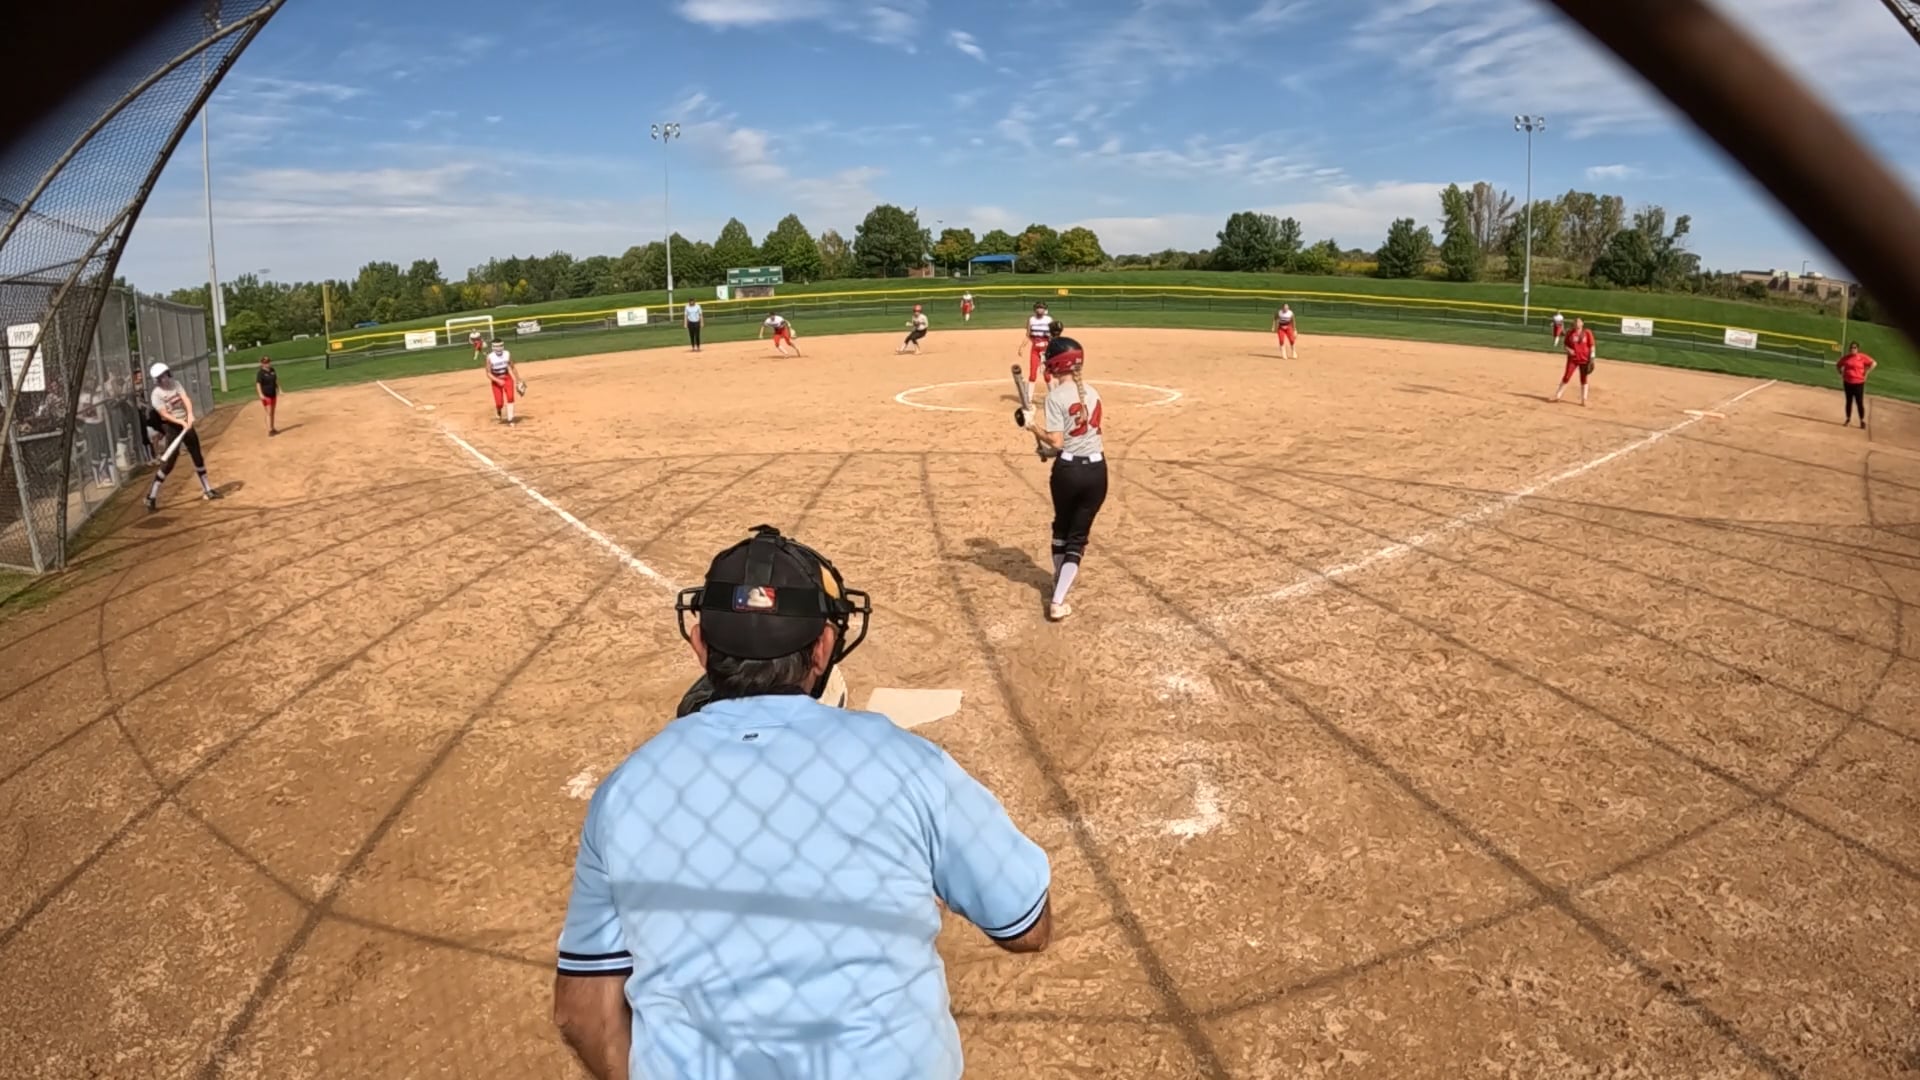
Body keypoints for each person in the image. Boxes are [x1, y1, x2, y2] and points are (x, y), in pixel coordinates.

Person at [552, 525, 1052, 1080]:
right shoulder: (908, 764)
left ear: (699, 643)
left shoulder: (624, 790)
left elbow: (582, 1012)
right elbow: (1026, 928)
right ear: (823, 648)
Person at [1021, 333, 1107, 622]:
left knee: (1061, 528)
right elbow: (1077, 440)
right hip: (1096, 472)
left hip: (1068, 473)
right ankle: (1059, 589)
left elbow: (1058, 441)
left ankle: (1057, 600)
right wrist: (1049, 450)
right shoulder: (1093, 392)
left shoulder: (1055, 397)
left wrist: (1032, 427)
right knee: (1077, 537)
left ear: (1057, 364)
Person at [144, 362, 221, 511]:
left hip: (186, 422)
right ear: (156, 380)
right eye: (161, 377)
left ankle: (207, 490)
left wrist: (190, 415)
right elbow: (164, 414)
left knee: (197, 454)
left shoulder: (176, 384)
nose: (165, 379)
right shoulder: (156, 394)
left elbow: (185, 399)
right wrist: (180, 422)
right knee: (169, 463)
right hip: (171, 426)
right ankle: (151, 496)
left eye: (165, 375)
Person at [1552, 316, 1596, 407]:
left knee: (1584, 379)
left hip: (1584, 359)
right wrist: (1569, 350)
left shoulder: (1587, 332)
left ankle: (1584, 400)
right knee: (1567, 376)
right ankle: (1558, 395)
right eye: (1575, 322)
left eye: (1579, 322)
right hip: (1573, 359)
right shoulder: (1570, 333)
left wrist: (1592, 358)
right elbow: (1565, 345)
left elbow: (1592, 345)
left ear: (1582, 323)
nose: (1577, 323)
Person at [1017, 301, 1053, 401]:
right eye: (1038, 308)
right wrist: (1021, 347)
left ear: (1045, 310)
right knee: (1032, 374)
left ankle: (1053, 396)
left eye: (1042, 308)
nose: (1040, 310)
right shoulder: (1031, 320)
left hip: (1046, 350)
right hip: (1035, 350)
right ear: (1035, 309)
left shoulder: (1049, 320)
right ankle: (1028, 399)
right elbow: (1028, 335)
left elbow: (1053, 336)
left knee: (1047, 375)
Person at [1838, 341, 1877, 428]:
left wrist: (1867, 372)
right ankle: (1848, 419)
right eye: (1851, 347)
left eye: (1855, 347)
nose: (1853, 349)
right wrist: (1841, 372)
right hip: (1848, 383)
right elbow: (1838, 365)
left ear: (1857, 349)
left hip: (1858, 383)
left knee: (1859, 402)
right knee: (1849, 401)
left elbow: (1874, 363)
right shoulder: (1846, 358)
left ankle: (1862, 421)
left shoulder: (1861, 357)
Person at [485, 339, 522, 424]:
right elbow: (488, 373)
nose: (499, 348)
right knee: (499, 403)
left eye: (500, 346)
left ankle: (510, 418)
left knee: (510, 397)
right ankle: (499, 410)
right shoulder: (490, 357)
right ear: (493, 347)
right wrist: (498, 380)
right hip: (496, 380)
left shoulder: (507, 354)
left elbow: (512, 367)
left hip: (507, 378)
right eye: (497, 346)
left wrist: (518, 380)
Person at [255, 355, 280, 436]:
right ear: (262, 363)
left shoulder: (272, 370)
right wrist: (260, 394)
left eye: (268, 362)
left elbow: (275, 380)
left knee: (272, 411)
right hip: (266, 395)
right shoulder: (260, 373)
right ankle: (269, 430)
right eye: (265, 362)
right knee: (269, 412)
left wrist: (279, 389)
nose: (267, 363)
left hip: (273, 393)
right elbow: (258, 384)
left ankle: (272, 427)